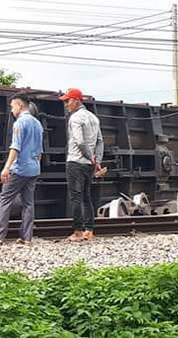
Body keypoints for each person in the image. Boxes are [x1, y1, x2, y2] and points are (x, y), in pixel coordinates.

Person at [0, 93, 43, 245]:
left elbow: (15, 148)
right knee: (28, 203)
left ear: (20, 105)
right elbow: (40, 151)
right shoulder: (38, 123)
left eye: (12, 106)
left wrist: (6, 168)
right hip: (34, 169)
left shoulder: (19, 123)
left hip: (20, 169)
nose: (11, 110)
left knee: (4, 199)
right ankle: (27, 237)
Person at [59, 88, 104, 241]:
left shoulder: (75, 118)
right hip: (88, 164)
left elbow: (79, 141)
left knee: (75, 197)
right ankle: (89, 230)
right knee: (86, 196)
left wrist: (90, 157)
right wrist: (96, 160)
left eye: (68, 101)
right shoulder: (93, 118)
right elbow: (100, 141)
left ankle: (77, 231)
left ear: (76, 101)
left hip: (76, 161)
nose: (66, 104)